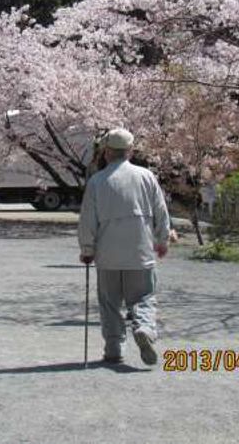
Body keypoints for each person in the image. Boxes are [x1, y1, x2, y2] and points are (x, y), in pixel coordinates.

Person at [78, 127, 170, 365]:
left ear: (107, 152)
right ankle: (144, 328)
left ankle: (114, 348)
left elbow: (87, 219)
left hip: (107, 255)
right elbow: (161, 211)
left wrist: (87, 249)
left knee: (110, 303)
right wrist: (162, 240)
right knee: (144, 296)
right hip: (140, 251)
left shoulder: (97, 181)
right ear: (130, 151)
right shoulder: (146, 177)